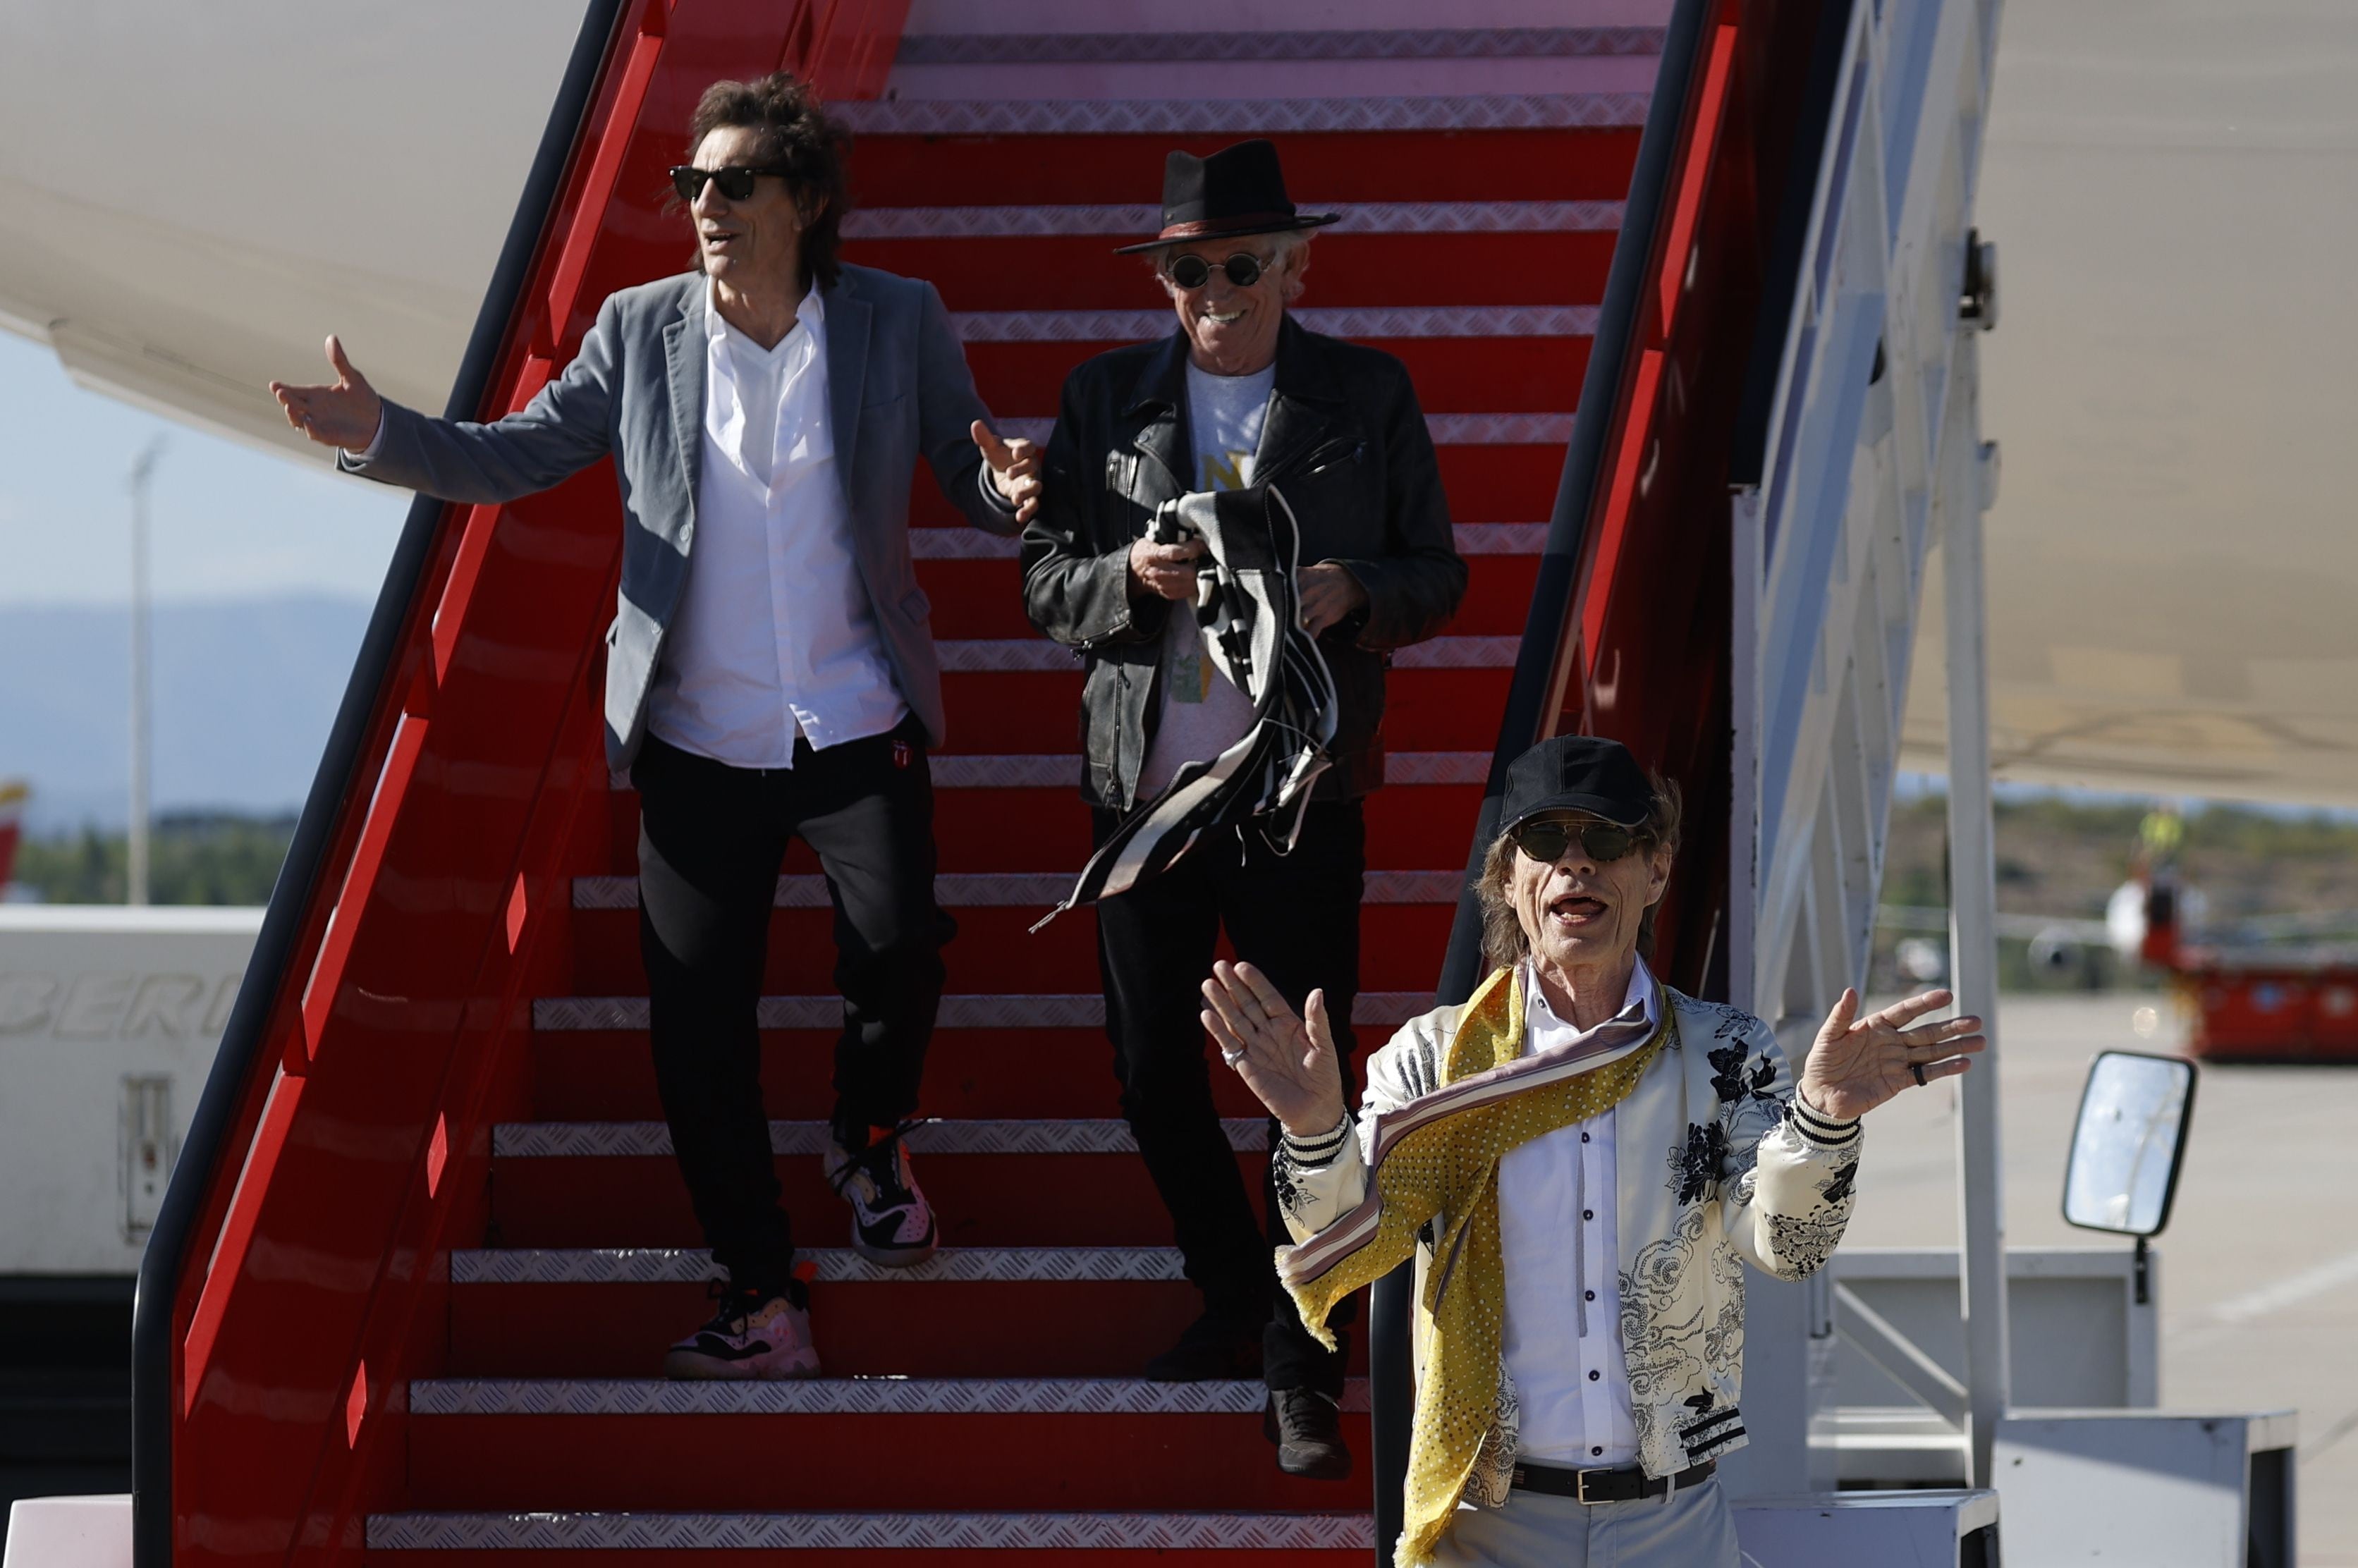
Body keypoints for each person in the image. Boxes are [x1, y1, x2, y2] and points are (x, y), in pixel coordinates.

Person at [269, 73, 1041, 1380]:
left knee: (900, 946)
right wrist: (385, 437)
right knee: (696, 1031)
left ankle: (863, 1137)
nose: (705, 206)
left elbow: (965, 469)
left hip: (855, 711)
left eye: (734, 182)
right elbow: (516, 454)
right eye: (692, 184)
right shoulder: (639, 331)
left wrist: (1009, 487)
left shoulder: (894, 320)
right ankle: (759, 1290)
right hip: (694, 737)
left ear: (803, 199)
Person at [1204, 734, 1985, 1566]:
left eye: (1607, 840)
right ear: (1508, 879)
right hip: (1487, 1524)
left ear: (1654, 870)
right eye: (1545, 842)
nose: (1575, 864)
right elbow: (1349, 1239)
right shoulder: (1432, 1061)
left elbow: (1785, 1244)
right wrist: (1314, 1129)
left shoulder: (1724, 1051)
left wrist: (1824, 1119)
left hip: (1674, 1524)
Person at [1020, 138, 1467, 1480]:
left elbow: (1437, 572)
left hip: (1292, 794)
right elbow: (1044, 584)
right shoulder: (1105, 398)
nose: (1209, 289)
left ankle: (1297, 1362)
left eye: (1237, 265)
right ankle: (1241, 1291)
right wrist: (1127, 580)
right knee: (1152, 1074)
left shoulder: (1361, 393)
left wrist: (1354, 593)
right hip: (1144, 795)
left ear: (1294, 266)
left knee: (1300, 1092)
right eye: (1185, 268)